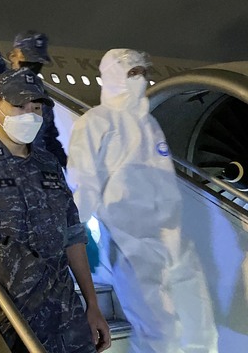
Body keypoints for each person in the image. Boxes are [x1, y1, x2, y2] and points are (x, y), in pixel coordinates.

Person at [66, 49, 218, 353]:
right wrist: (79, 236)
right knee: (157, 332)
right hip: (131, 244)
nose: (140, 79)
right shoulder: (95, 122)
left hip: (174, 240)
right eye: (131, 73)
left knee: (200, 327)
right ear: (112, 76)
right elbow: (84, 184)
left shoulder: (148, 122)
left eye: (141, 72)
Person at [0, 68, 110, 353]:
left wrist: (92, 305)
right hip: (15, 317)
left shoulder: (49, 166)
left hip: (66, 312)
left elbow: (73, 237)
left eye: (36, 107)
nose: (30, 114)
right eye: (19, 105)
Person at [7, 30, 67, 166]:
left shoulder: (41, 95)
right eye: (27, 63)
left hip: (36, 171)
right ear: (12, 56)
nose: (31, 69)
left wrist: (65, 164)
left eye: (37, 64)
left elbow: (49, 137)